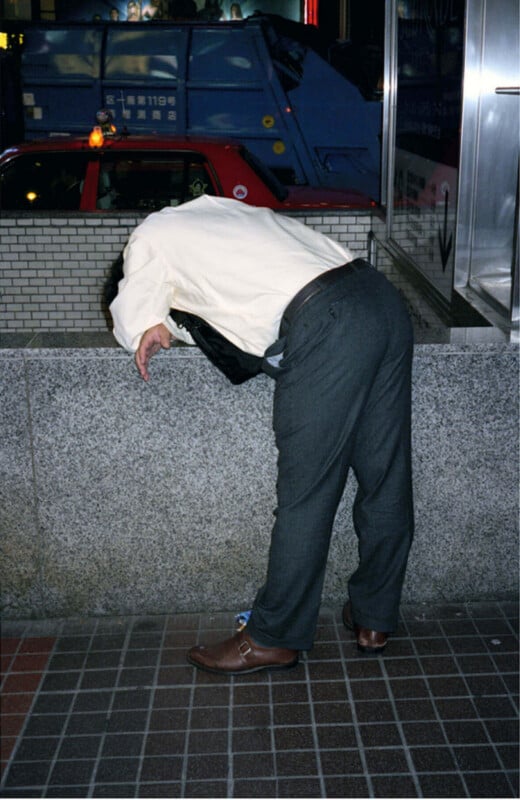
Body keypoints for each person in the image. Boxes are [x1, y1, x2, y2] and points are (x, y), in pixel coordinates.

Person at [108, 195, 414, 675]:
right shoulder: (212, 213)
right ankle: (375, 617)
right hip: (378, 297)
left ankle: (274, 636)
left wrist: (147, 325)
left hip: (325, 322)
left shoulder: (147, 237)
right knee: (385, 475)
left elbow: (132, 314)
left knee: (306, 495)